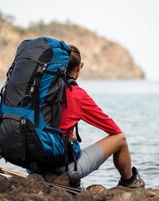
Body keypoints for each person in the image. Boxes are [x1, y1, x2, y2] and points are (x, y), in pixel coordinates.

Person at [50, 44, 144, 189]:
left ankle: (73, 185)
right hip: (61, 169)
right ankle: (130, 182)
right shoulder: (76, 94)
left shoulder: (40, 91)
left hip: (34, 165)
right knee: (120, 139)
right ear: (78, 69)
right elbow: (114, 129)